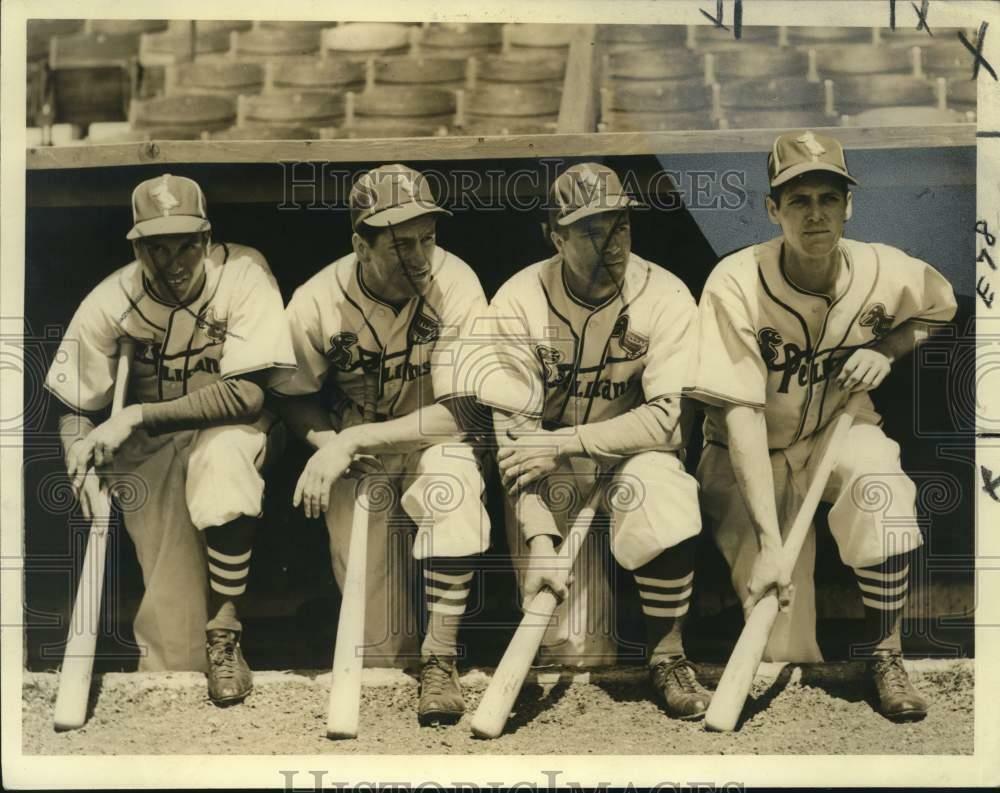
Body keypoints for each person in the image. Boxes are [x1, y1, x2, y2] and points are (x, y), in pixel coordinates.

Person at [687, 130, 957, 721]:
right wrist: (769, 543)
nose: (816, 214)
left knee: (880, 486)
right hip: (746, 448)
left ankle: (886, 654)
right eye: (799, 200)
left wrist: (888, 347)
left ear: (848, 206)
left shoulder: (885, 268)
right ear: (772, 209)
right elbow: (741, 416)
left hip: (840, 426)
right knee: (785, 637)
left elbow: (943, 308)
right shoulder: (734, 282)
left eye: (828, 198)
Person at [45, 173, 296, 705]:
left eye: (188, 244)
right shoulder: (110, 300)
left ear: (207, 240)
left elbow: (247, 396)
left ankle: (225, 632)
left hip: (234, 428)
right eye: (158, 248)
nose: (175, 261)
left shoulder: (243, 273)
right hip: (152, 449)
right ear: (138, 247)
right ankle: (170, 699)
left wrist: (134, 414)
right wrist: (77, 448)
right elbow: (75, 406)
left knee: (221, 462)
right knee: (172, 599)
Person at [476, 163, 711, 720]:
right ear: (554, 237)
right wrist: (538, 540)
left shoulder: (666, 293)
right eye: (589, 230)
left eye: (620, 226)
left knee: (663, 489)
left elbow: (672, 423)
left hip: (627, 452)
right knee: (573, 656)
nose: (611, 242)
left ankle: (668, 655)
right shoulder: (517, 301)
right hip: (546, 471)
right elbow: (514, 443)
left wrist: (570, 440)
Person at [270, 164, 491, 726]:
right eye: (400, 243)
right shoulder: (318, 298)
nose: (419, 255)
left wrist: (352, 440)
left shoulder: (455, 281)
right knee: (376, 637)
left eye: (427, 237)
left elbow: (463, 410)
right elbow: (292, 392)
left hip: (428, 435)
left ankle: (440, 659)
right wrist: (326, 443)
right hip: (355, 445)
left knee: (454, 486)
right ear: (360, 245)